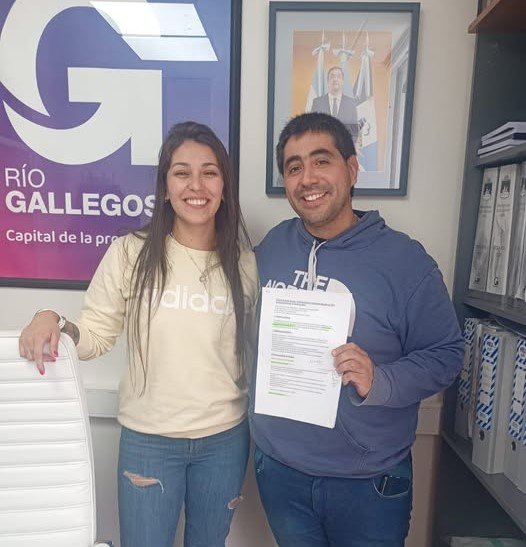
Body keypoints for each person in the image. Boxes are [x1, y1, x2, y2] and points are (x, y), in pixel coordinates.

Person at [19, 122, 259, 547]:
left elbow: (261, 349)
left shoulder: (244, 263)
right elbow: (94, 336)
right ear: (165, 187)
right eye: (182, 173)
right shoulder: (131, 252)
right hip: (149, 441)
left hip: (224, 441)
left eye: (209, 172)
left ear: (224, 186)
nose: (196, 185)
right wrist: (52, 317)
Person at [250, 112, 463, 547]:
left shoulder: (405, 262)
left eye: (321, 161)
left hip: (367, 482)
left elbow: (447, 354)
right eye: (294, 167)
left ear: (351, 169)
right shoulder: (272, 248)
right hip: (280, 471)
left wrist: (378, 379)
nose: (308, 178)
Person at [311, 66, 359, 139]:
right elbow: (313, 128)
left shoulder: (351, 103)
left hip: (344, 145)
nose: (335, 79)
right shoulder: (317, 102)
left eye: (338, 77)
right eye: (332, 76)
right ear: (328, 81)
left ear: (342, 81)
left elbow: (354, 133)